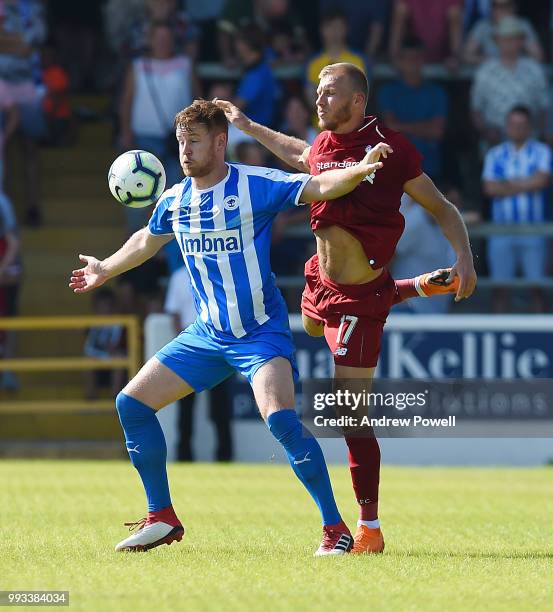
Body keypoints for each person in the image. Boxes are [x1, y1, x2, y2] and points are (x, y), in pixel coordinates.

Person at [69, 99, 387, 556]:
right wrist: (106, 268)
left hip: (259, 334)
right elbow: (146, 239)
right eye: (181, 142)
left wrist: (358, 170)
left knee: (281, 420)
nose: (184, 152)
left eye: (194, 142)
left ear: (220, 143)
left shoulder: (254, 185)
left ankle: (335, 529)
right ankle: (162, 517)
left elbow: (316, 185)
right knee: (132, 404)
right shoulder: (175, 198)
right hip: (206, 335)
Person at [216, 61, 477, 554]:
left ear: (358, 101)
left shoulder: (392, 149)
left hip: (359, 298)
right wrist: (249, 127)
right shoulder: (324, 144)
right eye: (317, 90)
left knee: (350, 417)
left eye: (330, 92)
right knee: (313, 330)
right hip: (320, 282)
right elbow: (301, 153)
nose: (319, 99)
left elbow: (442, 208)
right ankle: (410, 288)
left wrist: (465, 256)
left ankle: (369, 529)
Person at [119, 20, 201, 230]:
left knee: (176, 193)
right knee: (138, 190)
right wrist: (126, 131)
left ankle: (165, 251)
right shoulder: (138, 65)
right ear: (150, 40)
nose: (163, 42)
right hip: (143, 138)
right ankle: (136, 243)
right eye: (158, 37)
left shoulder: (185, 64)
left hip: (177, 141)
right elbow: (127, 101)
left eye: (167, 37)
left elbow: (198, 101)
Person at [482, 105, 551, 313]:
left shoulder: (542, 151)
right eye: (513, 124)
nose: (517, 128)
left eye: (522, 124)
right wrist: (526, 183)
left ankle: (543, 338)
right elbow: (489, 188)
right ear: (506, 126)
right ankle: (495, 335)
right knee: (499, 288)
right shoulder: (494, 154)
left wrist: (507, 184)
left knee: (536, 288)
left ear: (530, 127)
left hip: (534, 229)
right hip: (501, 230)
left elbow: (542, 181)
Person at [164, 264, 233, 461]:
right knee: (186, 409)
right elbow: (175, 316)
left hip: (217, 345)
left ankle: (225, 456)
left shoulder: (215, 269)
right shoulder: (178, 277)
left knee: (220, 409)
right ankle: (184, 456)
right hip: (191, 347)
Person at [471, 16, 549, 148]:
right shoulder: (484, 71)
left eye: (513, 38)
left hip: (531, 141)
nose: (509, 42)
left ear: (521, 41)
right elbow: (476, 110)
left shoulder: (535, 69)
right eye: (504, 38)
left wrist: (543, 136)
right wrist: (486, 132)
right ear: (496, 41)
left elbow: (545, 108)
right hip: (494, 143)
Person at [378, 41, 448, 180]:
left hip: (430, 166)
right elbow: (391, 128)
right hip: (396, 166)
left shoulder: (437, 92)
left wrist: (402, 127)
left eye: (417, 58)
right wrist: (424, 127)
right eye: (408, 58)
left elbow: (437, 131)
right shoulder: (388, 92)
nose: (413, 63)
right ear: (400, 62)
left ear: (423, 61)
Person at [305, 9, 365, 108]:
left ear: (346, 29)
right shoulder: (312, 63)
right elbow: (312, 101)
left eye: (338, 26)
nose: (334, 31)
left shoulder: (359, 61)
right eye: (330, 26)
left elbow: (361, 99)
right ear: (322, 30)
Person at [463, 0, 543, 65]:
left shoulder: (522, 25)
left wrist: (514, 61)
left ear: (513, 7)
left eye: (506, 6)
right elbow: (466, 56)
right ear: (491, 8)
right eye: (497, 6)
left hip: (519, 74)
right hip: (490, 74)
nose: (501, 10)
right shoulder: (482, 27)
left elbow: (538, 56)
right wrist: (490, 61)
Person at [389, 0, 463, 66]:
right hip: (411, 56)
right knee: (401, 9)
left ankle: (455, 56)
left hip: (443, 59)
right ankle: (395, 55)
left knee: (454, 12)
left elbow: (455, 17)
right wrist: (395, 55)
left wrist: (454, 57)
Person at [83, 288, 126, 400]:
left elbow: (115, 345)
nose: (104, 308)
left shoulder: (118, 323)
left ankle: (114, 397)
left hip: (110, 356)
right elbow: (89, 346)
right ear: (95, 307)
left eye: (107, 305)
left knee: (120, 359)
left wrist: (111, 349)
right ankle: (90, 397)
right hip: (95, 355)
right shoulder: (91, 322)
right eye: (101, 305)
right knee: (87, 361)